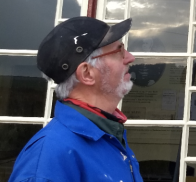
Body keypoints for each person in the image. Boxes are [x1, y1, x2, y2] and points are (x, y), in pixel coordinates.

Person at [9, 16, 143, 182]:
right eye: (119, 50)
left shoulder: (108, 136)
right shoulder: (49, 158)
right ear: (87, 73)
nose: (130, 57)